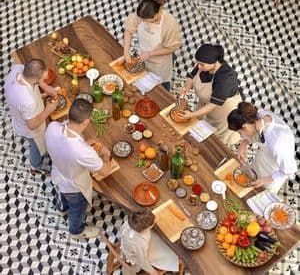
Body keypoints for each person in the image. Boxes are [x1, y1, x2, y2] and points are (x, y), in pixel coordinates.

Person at [45, 99, 112, 239]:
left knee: (61, 194)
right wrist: (106, 156)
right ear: (86, 122)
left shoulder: (52, 126)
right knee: (77, 209)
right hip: (74, 188)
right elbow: (105, 171)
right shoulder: (83, 152)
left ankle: (62, 209)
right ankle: (76, 231)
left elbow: (64, 145)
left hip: (57, 173)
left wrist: (86, 144)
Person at [227, 101, 297, 194]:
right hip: (261, 159)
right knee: (251, 178)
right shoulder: (254, 116)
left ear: (245, 127)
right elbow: (254, 134)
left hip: (272, 172)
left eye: (240, 132)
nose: (241, 135)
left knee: (262, 194)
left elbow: (289, 170)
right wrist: (244, 143)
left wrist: (264, 180)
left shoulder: (278, 143)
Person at [180, 43, 242, 146]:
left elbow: (212, 105)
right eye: (198, 63)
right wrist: (187, 86)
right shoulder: (204, 64)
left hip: (224, 111)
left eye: (201, 64)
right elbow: (192, 76)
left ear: (214, 62)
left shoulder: (225, 79)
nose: (199, 66)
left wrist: (191, 114)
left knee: (218, 139)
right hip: (208, 102)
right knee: (204, 127)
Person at [4, 59, 58, 173]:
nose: (43, 80)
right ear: (34, 79)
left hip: (18, 115)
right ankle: (36, 166)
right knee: (36, 147)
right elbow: (32, 125)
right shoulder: (27, 100)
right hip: (29, 130)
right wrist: (48, 109)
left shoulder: (18, 69)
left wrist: (45, 87)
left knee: (39, 144)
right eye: (43, 78)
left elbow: (34, 79)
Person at [123, 0, 182, 91]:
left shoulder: (169, 24)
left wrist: (150, 54)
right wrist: (126, 53)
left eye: (147, 21)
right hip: (142, 57)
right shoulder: (142, 14)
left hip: (160, 64)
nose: (144, 22)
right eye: (142, 20)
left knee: (161, 88)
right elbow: (129, 30)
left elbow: (171, 48)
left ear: (156, 14)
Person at [120, 210, 179, 275]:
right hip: (138, 256)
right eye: (153, 223)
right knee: (171, 254)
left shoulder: (130, 222)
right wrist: (154, 272)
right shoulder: (140, 244)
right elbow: (142, 262)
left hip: (129, 246)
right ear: (145, 229)